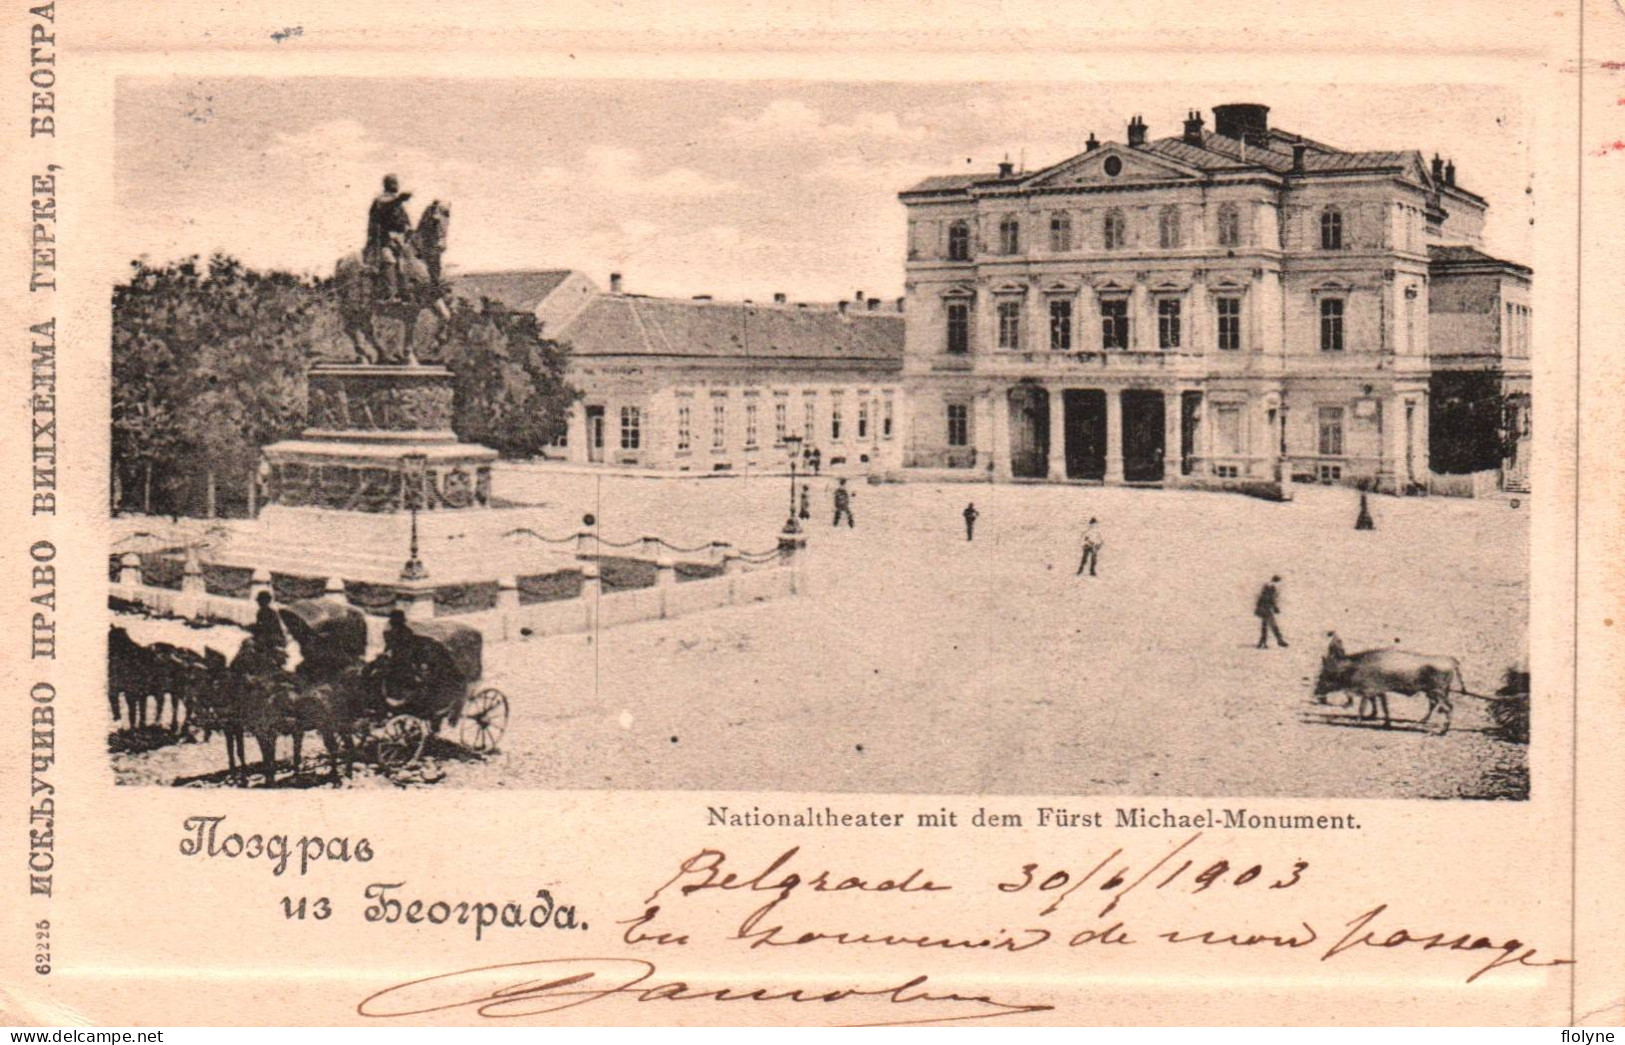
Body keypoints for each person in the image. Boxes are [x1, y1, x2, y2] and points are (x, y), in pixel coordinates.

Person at [365, 174, 414, 299]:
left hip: (400, 240)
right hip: (383, 240)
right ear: (387, 185)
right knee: (389, 261)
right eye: (392, 183)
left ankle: (407, 293)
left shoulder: (398, 204)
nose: (395, 185)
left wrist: (408, 228)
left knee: (407, 264)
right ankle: (390, 295)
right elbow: (386, 205)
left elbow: (405, 219)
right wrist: (399, 199)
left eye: (396, 183)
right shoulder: (381, 200)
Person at [1255, 575, 1288, 649]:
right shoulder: (1272, 587)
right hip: (1267, 608)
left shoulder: (1266, 586)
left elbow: (1262, 597)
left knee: (1265, 625)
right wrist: (1275, 607)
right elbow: (1271, 599)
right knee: (1273, 625)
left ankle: (1262, 642)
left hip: (1263, 608)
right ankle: (1279, 640)